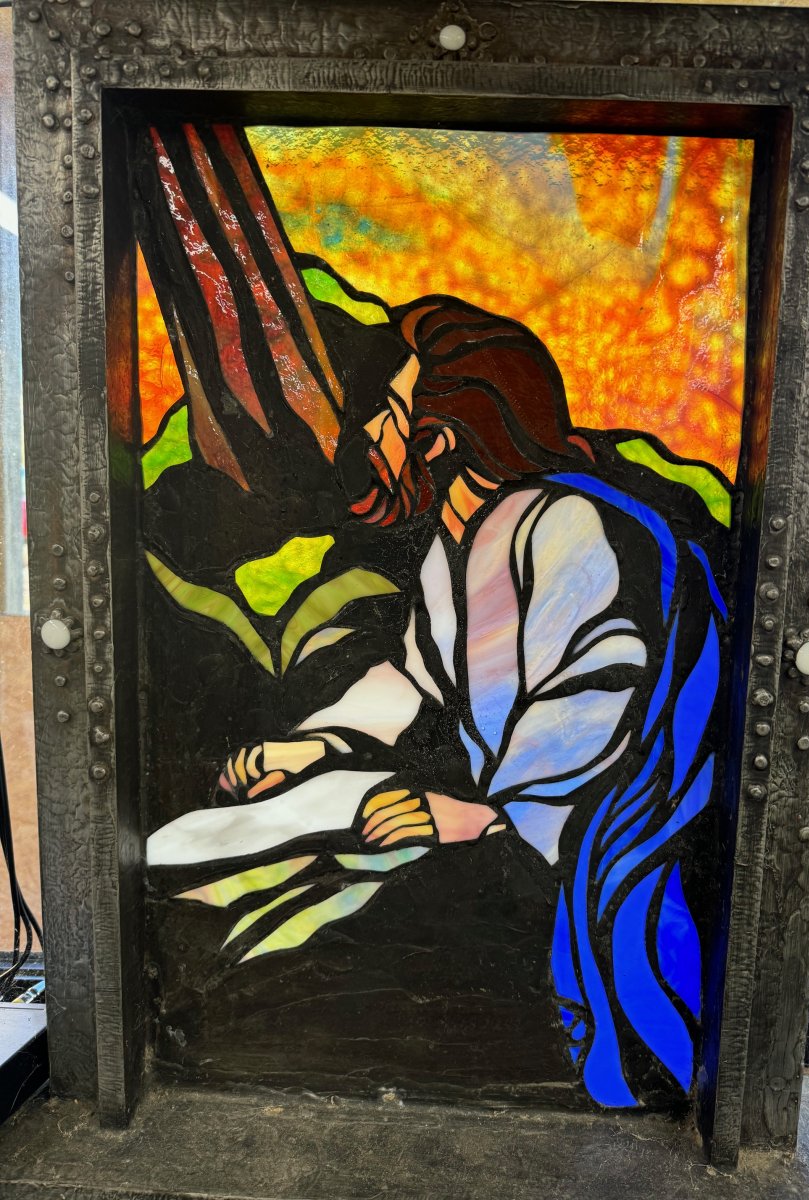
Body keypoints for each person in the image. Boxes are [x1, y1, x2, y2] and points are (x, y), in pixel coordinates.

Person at [148, 294, 729, 1107]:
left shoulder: (561, 524)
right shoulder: (455, 543)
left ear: (441, 434)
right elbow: (418, 679)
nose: (371, 437)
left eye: (388, 415)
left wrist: (474, 816)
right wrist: (318, 744)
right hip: (499, 832)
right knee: (231, 874)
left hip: (559, 854)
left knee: (311, 961)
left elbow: (595, 697)